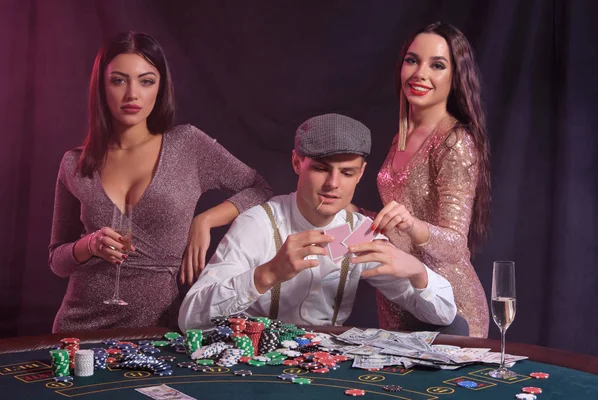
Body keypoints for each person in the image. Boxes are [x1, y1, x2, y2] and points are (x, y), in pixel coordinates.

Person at [48, 32, 272, 332]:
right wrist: (89, 245)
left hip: (158, 325)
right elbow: (58, 262)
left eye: (146, 80)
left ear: (160, 87)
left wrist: (204, 221)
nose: (132, 94)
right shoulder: (74, 163)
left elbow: (260, 189)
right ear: (101, 87)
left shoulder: (188, 145)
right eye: (118, 80)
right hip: (79, 324)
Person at [179, 113, 456, 330]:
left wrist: (419, 272)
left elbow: (445, 315)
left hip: (327, 372)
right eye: (321, 169)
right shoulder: (259, 224)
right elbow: (189, 317)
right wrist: (268, 274)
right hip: (258, 369)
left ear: (360, 174)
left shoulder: (358, 233)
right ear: (298, 163)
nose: (333, 184)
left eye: (346, 173)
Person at [354, 22, 491, 337]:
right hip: (399, 298)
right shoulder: (399, 137)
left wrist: (409, 223)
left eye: (437, 65)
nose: (420, 73)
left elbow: (455, 247)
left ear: (455, 78)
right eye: (412, 60)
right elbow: (400, 221)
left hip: (449, 305)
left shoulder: (454, 141)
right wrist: (358, 214)